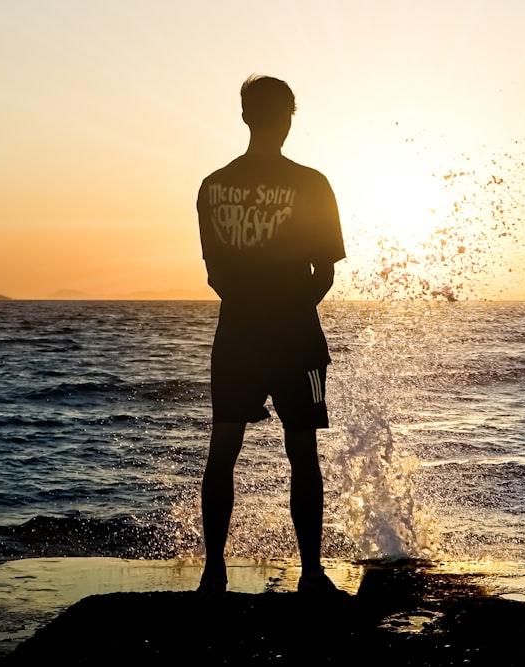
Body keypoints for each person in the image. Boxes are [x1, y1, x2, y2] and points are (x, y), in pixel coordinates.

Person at [195, 75, 346, 599]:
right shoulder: (312, 183)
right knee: (302, 453)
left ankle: (213, 574)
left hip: (235, 336)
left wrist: (253, 312)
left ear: (244, 116)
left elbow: (214, 274)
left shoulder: (212, 187)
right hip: (298, 339)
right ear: (288, 118)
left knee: (223, 450)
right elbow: (324, 272)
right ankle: (311, 574)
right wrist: (290, 312)